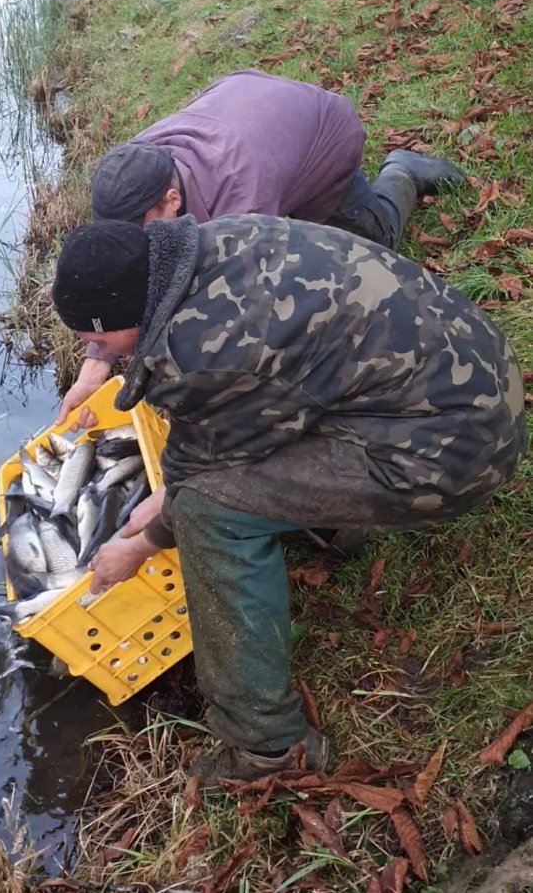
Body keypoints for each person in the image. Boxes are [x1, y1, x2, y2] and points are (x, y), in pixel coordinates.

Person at [51, 212, 526, 784]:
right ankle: (330, 524)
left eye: (99, 342)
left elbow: (207, 473)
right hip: (478, 376)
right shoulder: (213, 242)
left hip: (455, 456)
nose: (98, 353)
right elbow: (235, 418)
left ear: (131, 313)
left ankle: (265, 747)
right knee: (206, 482)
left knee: (207, 511)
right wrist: (101, 364)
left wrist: (143, 543)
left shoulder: (201, 350)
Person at [57, 69, 464, 426]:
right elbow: (122, 278)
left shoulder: (240, 200)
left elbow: (240, 312)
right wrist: (96, 368)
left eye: (139, 231)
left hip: (326, 131)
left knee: (372, 241)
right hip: (247, 99)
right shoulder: (133, 171)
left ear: (171, 201)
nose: (133, 244)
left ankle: (402, 172)